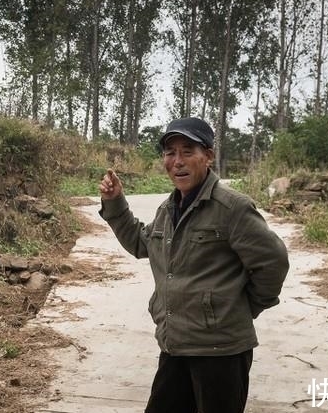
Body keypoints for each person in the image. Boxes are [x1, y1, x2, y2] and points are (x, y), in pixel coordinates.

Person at [98, 117, 289, 413]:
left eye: (188, 151)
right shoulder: (167, 209)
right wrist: (116, 203)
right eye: (170, 153)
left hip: (221, 352)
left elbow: (273, 261)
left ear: (208, 156)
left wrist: (242, 307)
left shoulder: (231, 207)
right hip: (175, 345)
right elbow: (141, 243)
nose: (177, 161)